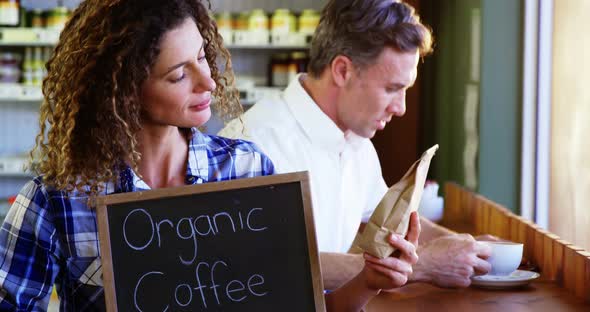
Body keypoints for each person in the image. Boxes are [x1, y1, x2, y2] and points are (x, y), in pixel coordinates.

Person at [0, 1, 419, 311]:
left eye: (203, 56)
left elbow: (300, 305)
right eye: (179, 74)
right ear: (125, 92)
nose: (208, 82)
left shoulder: (248, 170)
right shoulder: (54, 200)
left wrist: (369, 281)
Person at [220, 0, 493, 290]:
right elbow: (266, 265)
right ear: (341, 71)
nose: (400, 108)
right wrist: (422, 264)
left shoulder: (357, 141)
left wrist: (470, 249)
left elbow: (391, 223)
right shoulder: (252, 145)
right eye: (391, 89)